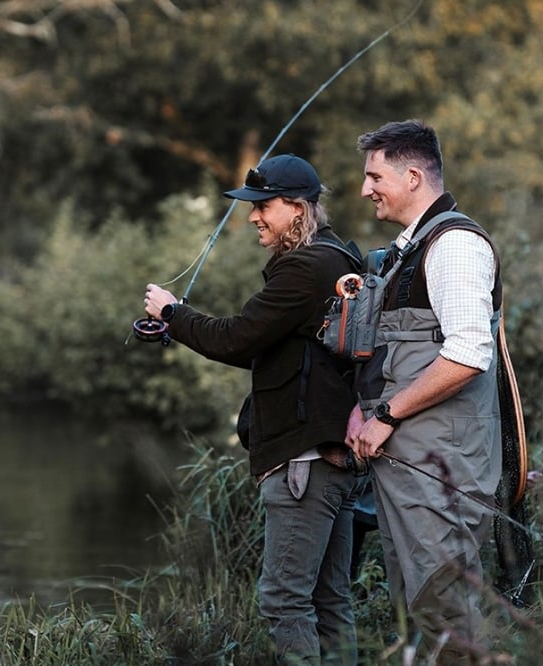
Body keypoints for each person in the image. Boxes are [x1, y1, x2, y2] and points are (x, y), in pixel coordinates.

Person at [144, 154, 366, 665]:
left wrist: (172, 313)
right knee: (330, 602)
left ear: (298, 208)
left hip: (304, 461)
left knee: (283, 601)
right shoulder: (336, 259)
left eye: (263, 206)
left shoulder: (305, 268)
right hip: (331, 457)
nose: (252, 217)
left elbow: (238, 340)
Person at [345, 120, 503, 664]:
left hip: (441, 463)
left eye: (374, 176)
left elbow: (467, 354)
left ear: (413, 176)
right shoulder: (406, 250)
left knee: (445, 611)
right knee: (416, 610)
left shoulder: (454, 244)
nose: (366, 189)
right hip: (408, 460)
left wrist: (386, 413)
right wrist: (360, 409)